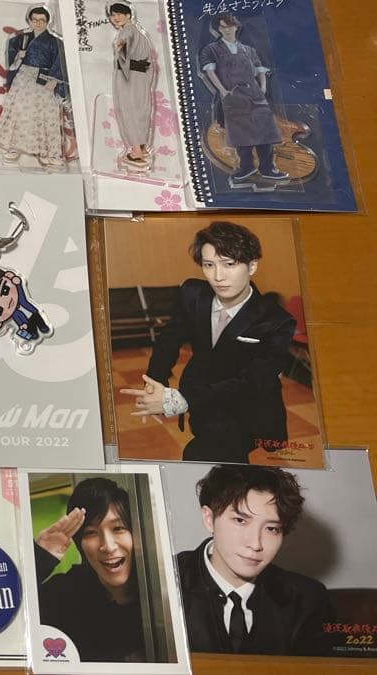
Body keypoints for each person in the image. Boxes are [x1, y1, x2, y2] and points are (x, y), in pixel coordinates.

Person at [119, 221, 295, 463]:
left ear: (252, 265)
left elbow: (254, 381)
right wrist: (155, 381)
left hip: (246, 405)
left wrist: (181, 399)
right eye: (209, 265)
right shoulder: (192, 293)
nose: (218, 277)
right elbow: (169, 338)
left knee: (208, 456)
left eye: (229, 264)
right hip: (200, 391)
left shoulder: (277, 320)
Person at [175, 465, 331, 655]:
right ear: (209, 519)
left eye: (271, 529)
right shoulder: (160, 584)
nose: (255, 544)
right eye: (240, 521)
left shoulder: (308, 599)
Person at [33, 477, 145, 662]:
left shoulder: (160, 594)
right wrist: (40, 557)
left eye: (118, 528)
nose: (107, 546)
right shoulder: (65, 594)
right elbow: (5, 613)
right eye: (91, 532)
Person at [199, 13, 288, 186]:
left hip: (255, 95)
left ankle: (268, 168)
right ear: (218, 29)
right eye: (223, 27)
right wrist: (223, 91)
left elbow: (260, 69)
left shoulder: (248, 50)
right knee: (241, 134)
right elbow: (210, 71)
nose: (227, 30)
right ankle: (247, 167)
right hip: (233, 96)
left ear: (236, 27)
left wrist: (262, 88)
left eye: (230, 26)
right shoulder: (211, 49)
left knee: (265, 132)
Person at [0, 7, 69, 167]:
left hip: (46, 78)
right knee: (19, 111)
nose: (38, 23)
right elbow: (11, 62)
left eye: (42, 20)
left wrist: (54, 80)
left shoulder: (55, 42)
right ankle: (13, 147)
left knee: (46, 113)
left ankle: (49, 151)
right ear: (29, 21)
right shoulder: (19, 39)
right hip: (24, 76)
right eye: (35, 20)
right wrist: (18, 57)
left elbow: (60, 61)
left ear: (48, 22)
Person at [108, 3, 155, 171]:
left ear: (128, 15)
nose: (115, 18)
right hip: (140, 77)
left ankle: (136, 151)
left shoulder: (127, 32)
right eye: (113, 15)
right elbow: (149, 64)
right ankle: (142, 147)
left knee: (129, 111)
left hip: (128, 76)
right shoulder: (139, 35)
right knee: (140, 110)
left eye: (119, 14)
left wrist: (117, 50)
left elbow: (121, 55)